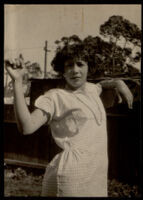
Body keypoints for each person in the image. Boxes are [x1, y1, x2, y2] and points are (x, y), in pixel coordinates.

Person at [5, 42, 133, 197]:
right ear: (63, 71)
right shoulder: (56, 96)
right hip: (71, 177)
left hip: (96, 176)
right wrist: (17, 82)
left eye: (80, 64)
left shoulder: (92, 90)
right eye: (69, 66)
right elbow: (27, 127)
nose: (75, 70)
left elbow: (101, 85)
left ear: (88, 67)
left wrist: (118, 83)